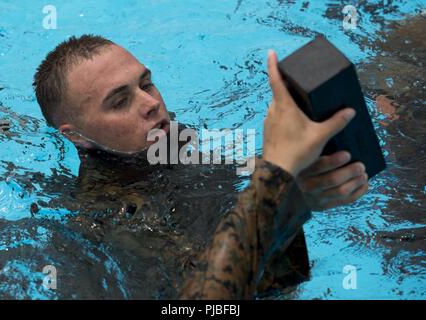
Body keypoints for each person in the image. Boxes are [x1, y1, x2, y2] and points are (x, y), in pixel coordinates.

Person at [33, 35, 369, 299]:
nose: (151, 103)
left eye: (146, 84)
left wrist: (298, 193)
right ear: (76, 136)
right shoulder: (109, 219)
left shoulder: (175, 152)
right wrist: (277, 177)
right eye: (120, 101)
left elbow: (277, 283)